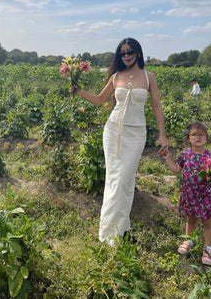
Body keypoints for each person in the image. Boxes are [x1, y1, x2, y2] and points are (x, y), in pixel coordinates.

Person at [70, 37, 169, 244]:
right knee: (114, 180)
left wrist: (163, 135)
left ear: (138, 53)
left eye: (130, 52)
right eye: (122, 53)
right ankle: (111, 234)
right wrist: (79, 91)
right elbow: (99, 100)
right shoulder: (116, 77)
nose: (126, 56)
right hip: (113, 131)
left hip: (136, 134)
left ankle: (120, 229)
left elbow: (157, 106)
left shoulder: (149, 77)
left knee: (125, 179)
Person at [159, 121, 211, 266]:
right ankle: (189, 240)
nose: (198, 137)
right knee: (191, 219)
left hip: (205, 196)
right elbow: (177, 169)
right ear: (188, 138)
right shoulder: (185, 154)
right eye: (194, 134)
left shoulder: (209, 157)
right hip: (190, 194)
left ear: (206, 138)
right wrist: (168, 158)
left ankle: (208, 250)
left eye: (202, 134)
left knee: (207, 222)